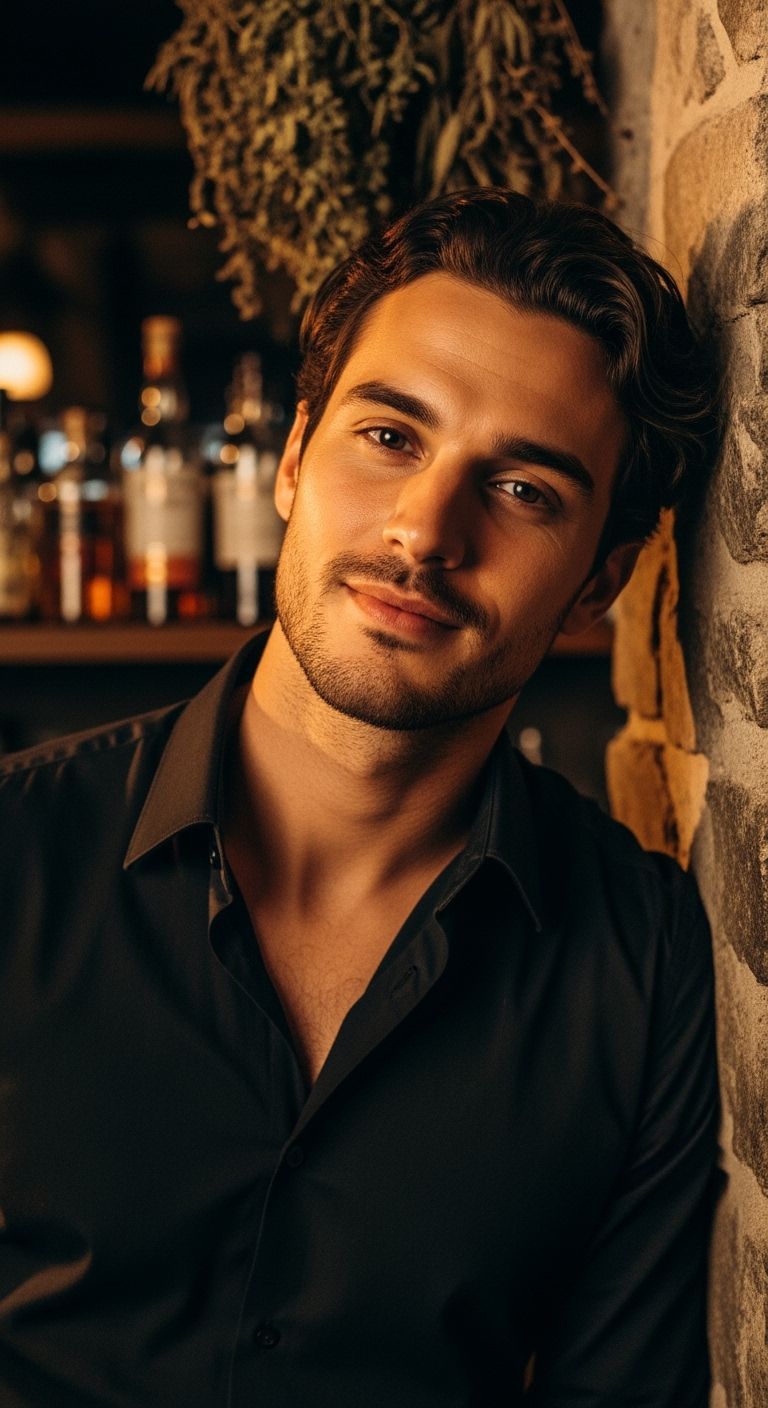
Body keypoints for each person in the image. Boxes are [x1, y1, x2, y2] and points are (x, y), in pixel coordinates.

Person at [0, 188, 720, 1407]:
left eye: (525, 490)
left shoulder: (642, 966)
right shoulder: (15, 850)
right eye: (390, 436)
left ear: (599, 579)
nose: (424, 531)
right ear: (291, 459)